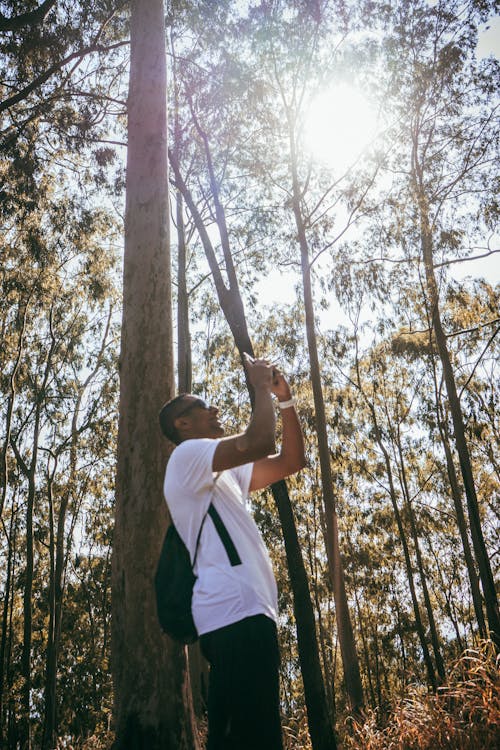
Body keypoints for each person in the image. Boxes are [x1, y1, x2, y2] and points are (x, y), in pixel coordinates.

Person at [158, 354, 305, 750]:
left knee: (244, 738)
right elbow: (259, 441)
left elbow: (291, 460)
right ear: (182, 424)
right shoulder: (186, 457)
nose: (216, 408)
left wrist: (286, 400)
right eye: (204, 405)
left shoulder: (224, 473)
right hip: (232, 614)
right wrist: (259, 386)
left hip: (249, 615)